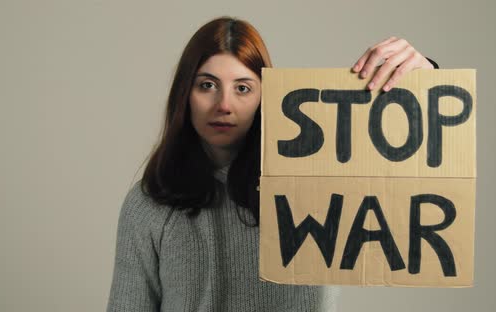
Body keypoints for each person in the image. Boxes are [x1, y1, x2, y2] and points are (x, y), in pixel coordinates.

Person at [106, 16, 438, 312]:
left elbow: (408, 177)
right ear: (184, 94)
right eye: (207, 85)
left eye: (243, 88)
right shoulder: (149, 203)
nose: (224, 104)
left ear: (268, 95)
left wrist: (425, 77)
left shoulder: (320, 178)